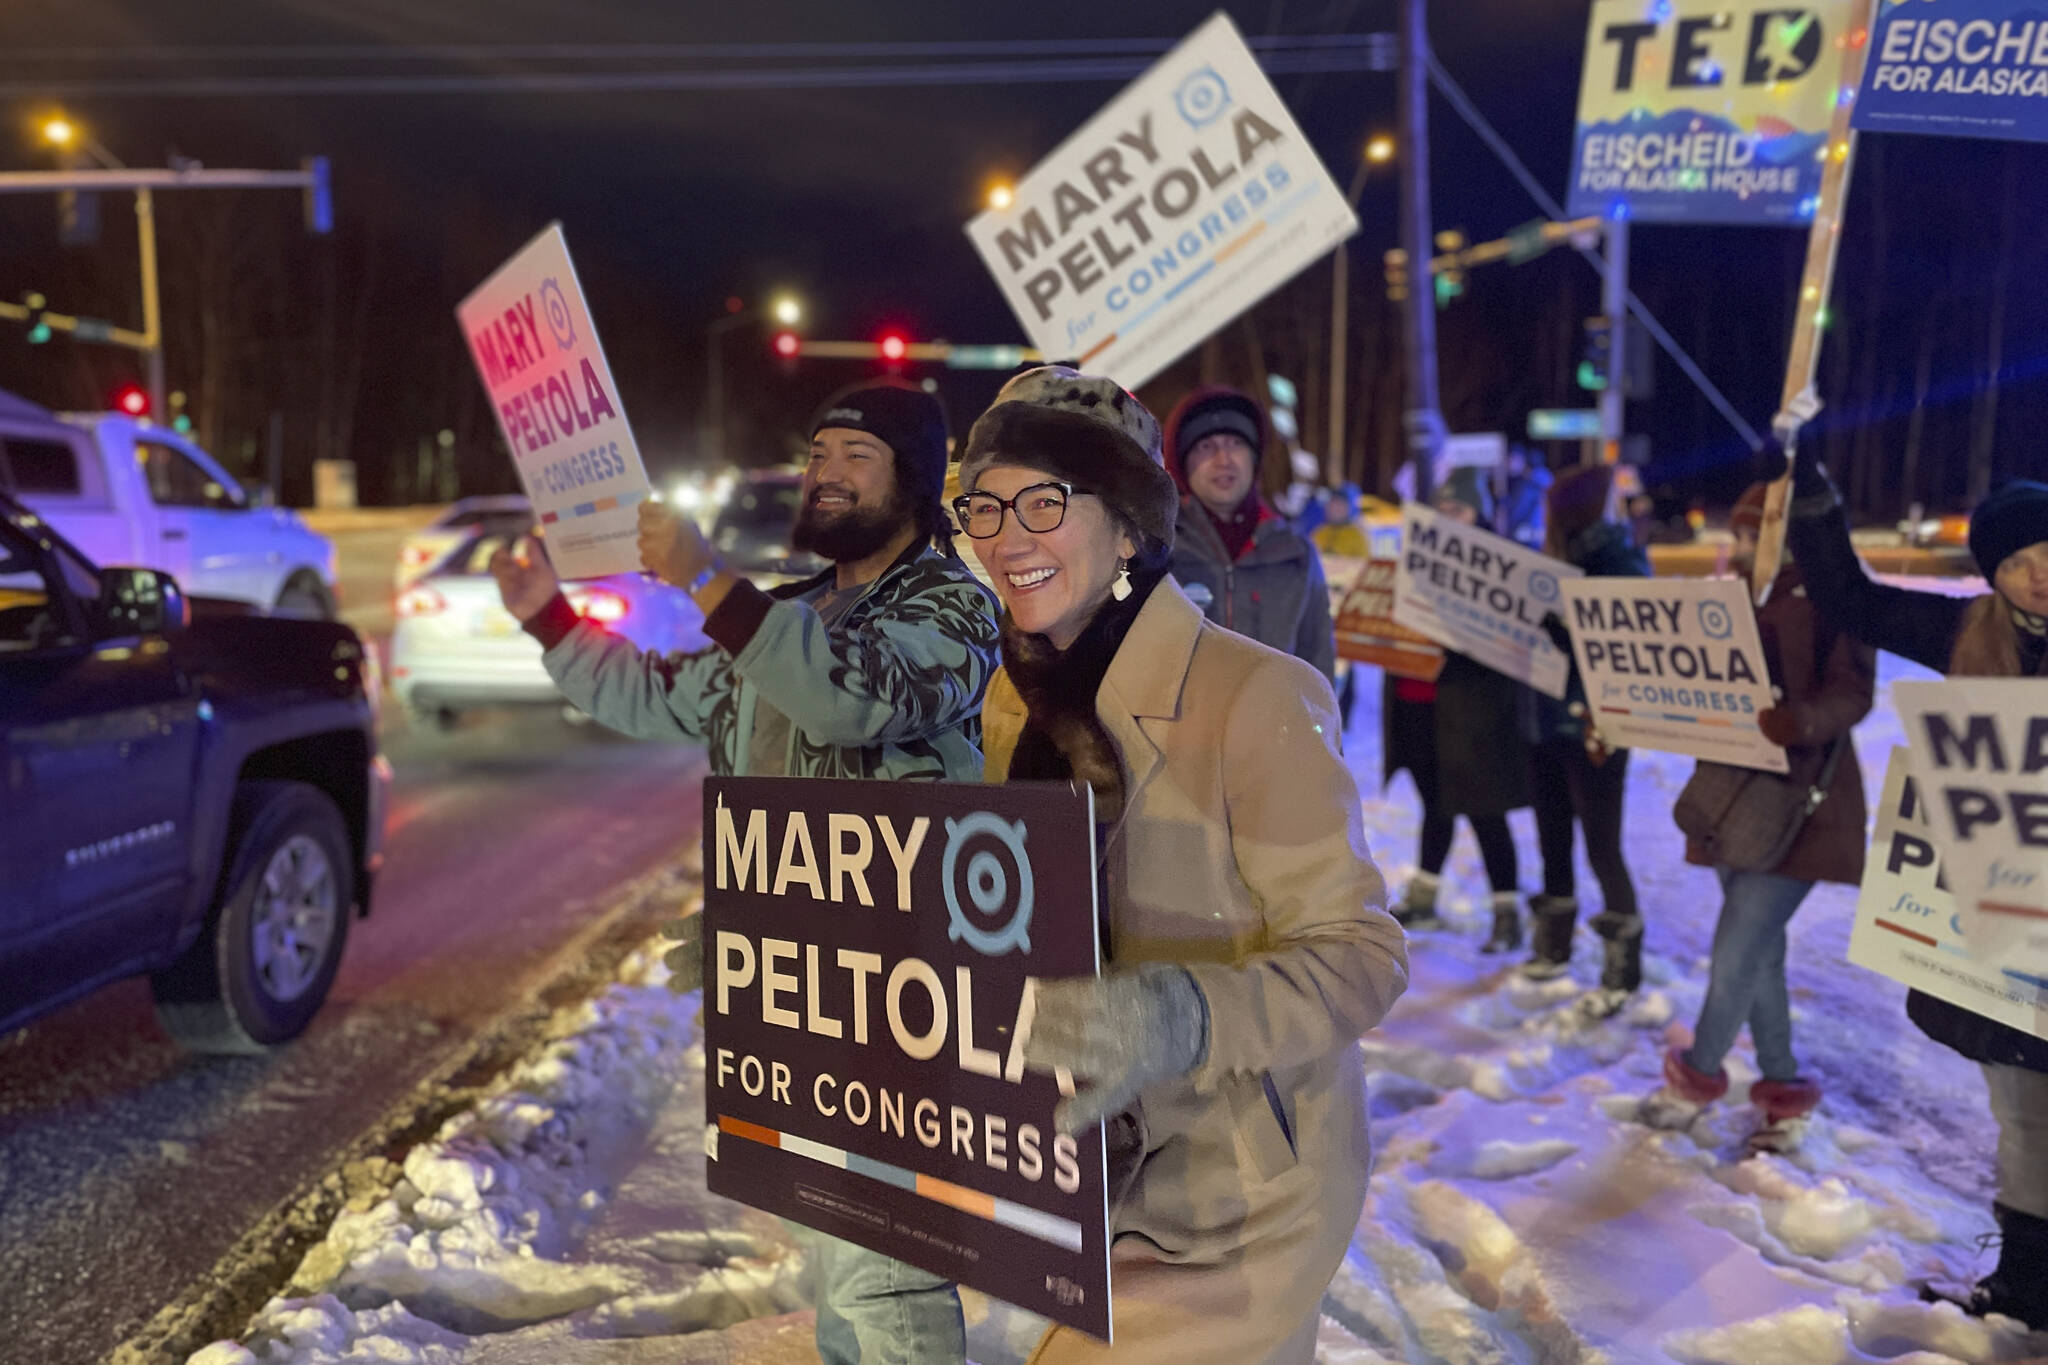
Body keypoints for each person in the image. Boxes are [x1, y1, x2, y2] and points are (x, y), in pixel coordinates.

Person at [490, 380, 997, 1365]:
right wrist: (548, 618)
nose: (825, 472)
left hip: (896, 993)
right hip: (783, 987)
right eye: (817, 453)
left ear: (916, 481)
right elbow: (657, 695)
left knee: (884, 1256)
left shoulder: (951, 608)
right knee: (832, 1246)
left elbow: (850, 700)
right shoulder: (784, 613)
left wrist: (709, 579)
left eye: (856, 455)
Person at [953, 366, 1409, 1363]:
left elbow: (1362, 957)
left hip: (1244, 1189)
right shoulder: (1004, 698)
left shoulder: (1255, 697)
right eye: (981, 505)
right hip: (1086, 1168)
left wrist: (1181, 1016)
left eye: (1043, 499)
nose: (1004, 536)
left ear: (1127, 526)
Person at [1785, 446, 2048, 1330]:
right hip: (2013, 926)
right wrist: (1811, 496)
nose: (2037, 574)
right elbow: (1851, 601)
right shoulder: (1966, 633)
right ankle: (2027, 1284)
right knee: (2025, 1111)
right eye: (2015, 561)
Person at [1641, 482, 1875, 1151]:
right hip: (1736, 799)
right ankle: (1783, 1090)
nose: (1740, 547)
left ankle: (1695, 1081)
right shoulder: (1734, 595)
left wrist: (1796, 721)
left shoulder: (1834, 594)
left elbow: (1854, 691)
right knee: (1760, 956)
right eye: (1739, 536)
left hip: (1807, 804)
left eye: (1752, 534)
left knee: (1739, 946)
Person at [1519, 462, 1650, 1014]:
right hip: (1546, 720)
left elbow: (1632, 638)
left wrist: (1567, 631)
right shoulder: (1551, 562)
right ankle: (1555, 941)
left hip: (1598, 726)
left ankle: (1623, 960)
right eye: (1612, 497)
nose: (1623, 505)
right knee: (1553, 836)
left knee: (1602, 844)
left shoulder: (1620, 560)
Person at [1384, 469, 1529, 949]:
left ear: (1478, 514)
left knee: (1484, 809)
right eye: (1443, 510)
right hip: (1418, 708)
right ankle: (1424, 899)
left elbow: (1504, 646)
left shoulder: (1497, 569)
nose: (1450, 519)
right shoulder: (1419, 559)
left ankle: (1508, 914)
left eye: (1459, 510)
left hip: (1472, 717)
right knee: (1437, 805)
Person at [1162, 386, 1336, 686]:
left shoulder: (1296, 552)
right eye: (1205, 447)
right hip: (1180, 730)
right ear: (1183, 464)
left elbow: (1318, 661)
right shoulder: (1159, 549)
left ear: (1255, 460)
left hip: (1274, 727)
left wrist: (1314, 728)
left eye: (1235, 443)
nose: (1223, 459)